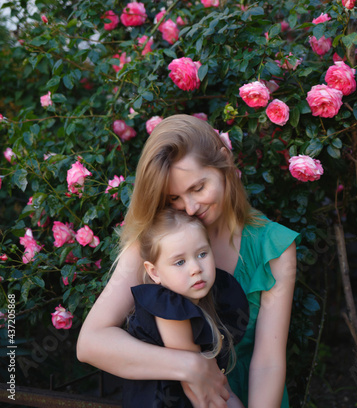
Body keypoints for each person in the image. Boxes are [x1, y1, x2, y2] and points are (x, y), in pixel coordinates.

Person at [77, 114, 299, 408]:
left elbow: (268, 362)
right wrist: (191, 366)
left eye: (198, 188)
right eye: (174, 199)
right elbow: (91, 343)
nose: (191, 208)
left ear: (224, 163)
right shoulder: (157, 244)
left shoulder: (273, 247)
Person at [122, 208, 245, 408]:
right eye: (180, 262)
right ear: (154, 272)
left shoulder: (208, 301)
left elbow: (218, 386)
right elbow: (200, 392)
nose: (196, 268)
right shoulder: (168, 309)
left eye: (202, 254)